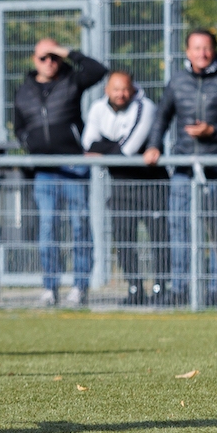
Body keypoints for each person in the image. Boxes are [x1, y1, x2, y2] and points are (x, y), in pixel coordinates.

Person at [143, 29, 217, 307]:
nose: (202, 53)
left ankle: (214, 291)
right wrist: (154, 146)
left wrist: (213, 131)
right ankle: (181, 288)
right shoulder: (177, 81)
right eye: (197, 48)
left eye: (207, 48)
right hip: (184, 167)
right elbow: (161, 117)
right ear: (187, 51)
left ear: (214, 50)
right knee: (179, 227)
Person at [12, 39, 107, 306]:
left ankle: (80, 287)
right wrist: (28, 142)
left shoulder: (71, 80)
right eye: (44, 57)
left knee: (79, 225)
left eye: (54, 57)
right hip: (44, 170)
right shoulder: (23, 91)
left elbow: (98, 70)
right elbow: (19, 127)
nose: (50, 62)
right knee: (48, 227)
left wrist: (64, 51)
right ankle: (50, 288)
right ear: (34, 60)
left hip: (74, 166)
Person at [82, 70, 167, 306]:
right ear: (106, 90)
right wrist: (113, 149)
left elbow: (128, 149)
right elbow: (87, 144)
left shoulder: (145, 107)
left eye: (125, 89)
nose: (121, 94)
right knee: (124, 238)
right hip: (120, 185)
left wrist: (105, 148)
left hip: (151, 184)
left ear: (133, 89)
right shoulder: (98, 109)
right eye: (116, 89)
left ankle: (160, 288)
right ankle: (134, 289)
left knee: (159, 238)